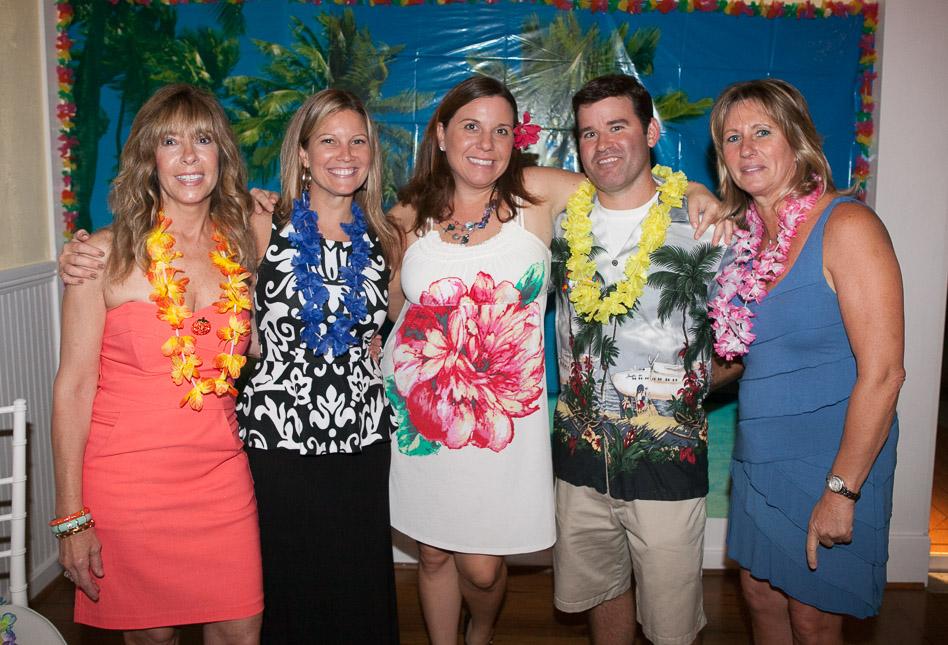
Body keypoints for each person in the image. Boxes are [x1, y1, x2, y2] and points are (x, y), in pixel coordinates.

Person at [51, 84, 263, 643]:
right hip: (128, 486)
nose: (189, 156)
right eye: (170, 142)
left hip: (220, 477)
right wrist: (71, 518)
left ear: (222, 155)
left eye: (203, 140)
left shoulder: (244, 248)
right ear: (150, 158)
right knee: (153, 637)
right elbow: (73, 388)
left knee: (241, 629)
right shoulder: (102, 255)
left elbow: (266, 341)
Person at [707, 79, 903, 643]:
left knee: (812, 619)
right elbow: (747, 355)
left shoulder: (848, 226)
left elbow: (884, 373)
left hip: (831, 461)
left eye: (762, 132)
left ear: (797, 139)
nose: (746, 149)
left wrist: (842, 491)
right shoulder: (745, 245)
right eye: (732, 138)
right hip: (760, 457)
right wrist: (679, 383)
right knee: (759, 597)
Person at [550, 74, 726, 645]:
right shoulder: (561, 225)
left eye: (617, 127)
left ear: (651, 132)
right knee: (601, 593)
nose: (603, 145)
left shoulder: (705, 228)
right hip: (579, 459)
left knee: (671, 624)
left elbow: (747, 338)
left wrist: (691, 393)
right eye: (589, 133)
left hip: (666, 461)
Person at [236, 89, 402, 643]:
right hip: (277, 437)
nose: (345, 154)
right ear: (304, 154)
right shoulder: (260, 224)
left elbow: (402, 322)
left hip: (361, 437)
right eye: (328, 140)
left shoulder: (387, 237)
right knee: (287, 584)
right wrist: (93, 250)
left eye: (358, 141)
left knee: (356, 585)